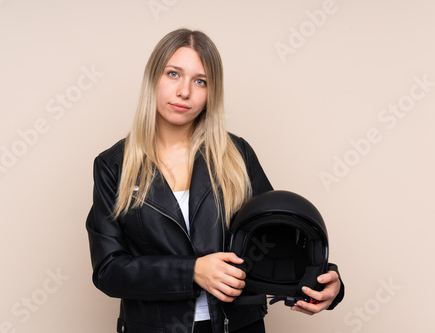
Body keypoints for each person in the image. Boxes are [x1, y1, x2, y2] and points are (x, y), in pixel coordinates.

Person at [86, 28, 344, 333]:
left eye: (200, 81)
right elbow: (109, 270)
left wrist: (326, 280)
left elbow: (278, 238)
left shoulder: (237, 154)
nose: (184, 91)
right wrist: (192, 271)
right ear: (153, 78)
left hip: (238, 326)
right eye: (173, 74)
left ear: (212, 92)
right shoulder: (114, 166)